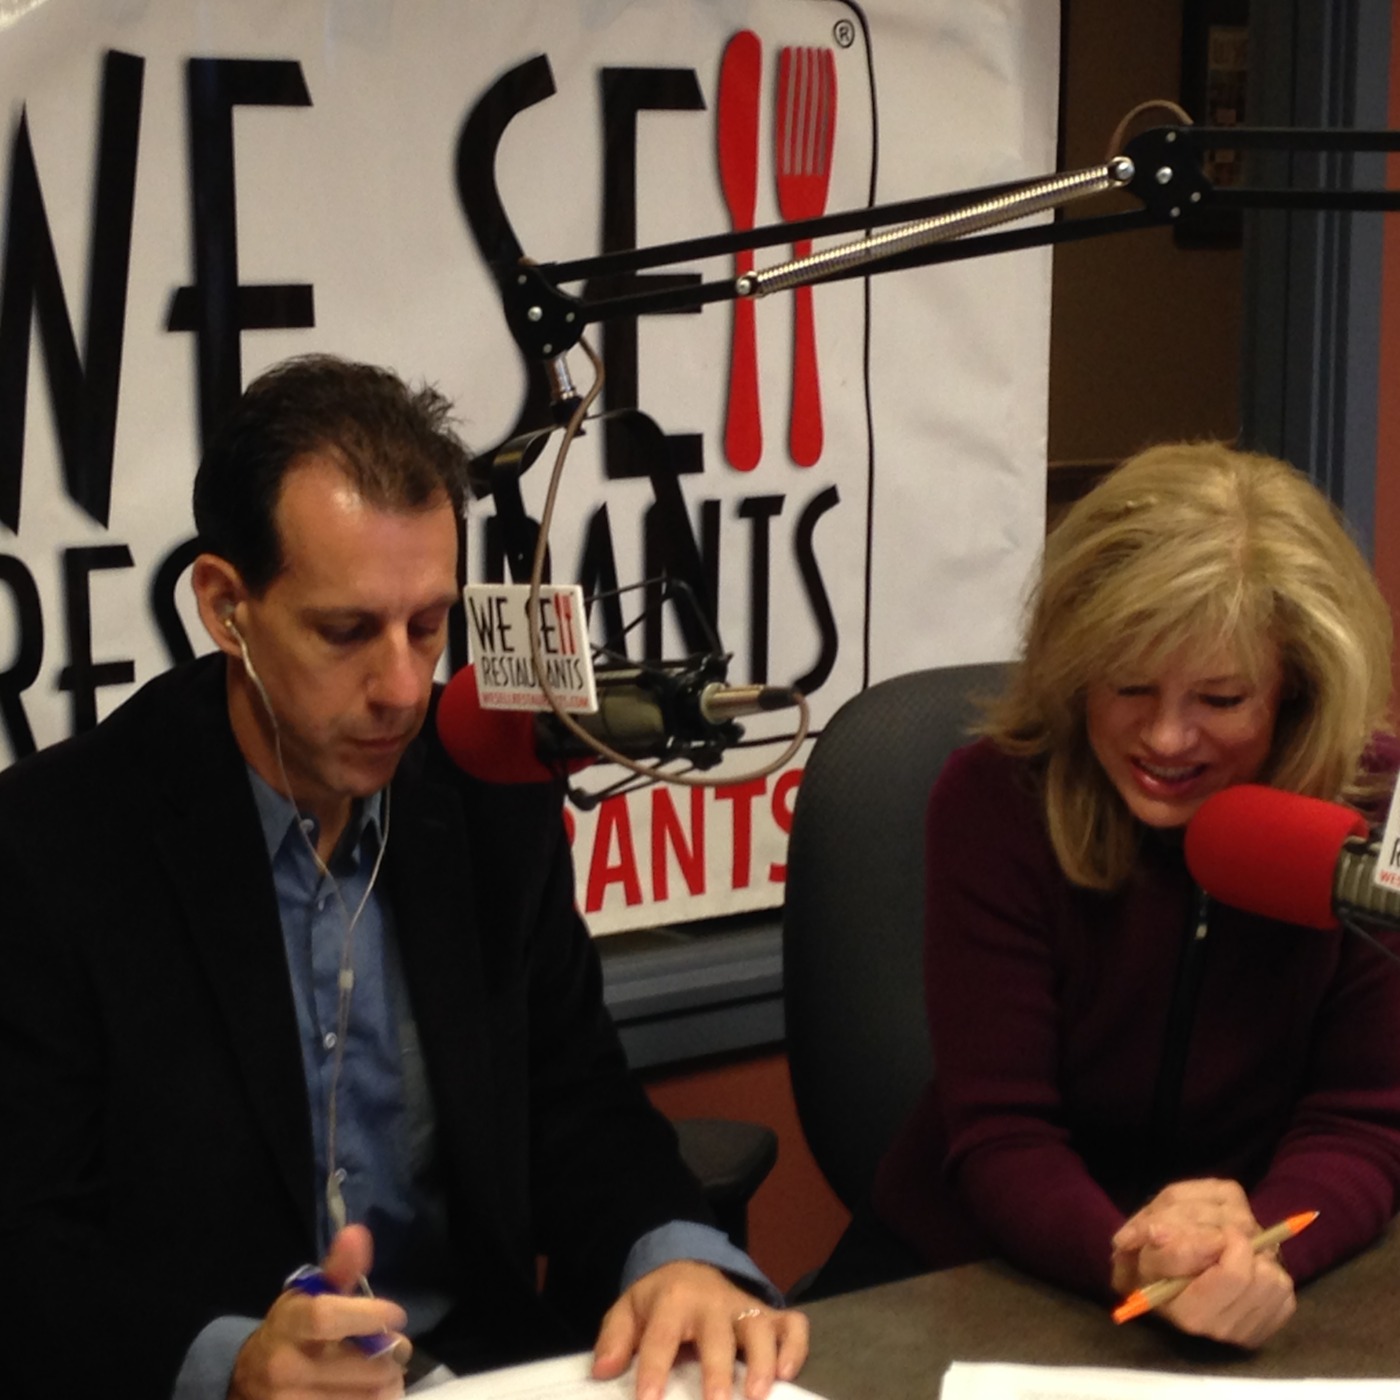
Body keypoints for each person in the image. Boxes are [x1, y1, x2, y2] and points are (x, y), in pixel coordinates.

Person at [0, 355, 807, 1400]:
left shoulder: (483, 793)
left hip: (472, 1367)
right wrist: (230, 1363)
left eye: (427, 626)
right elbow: (29, 1240)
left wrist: (675, 1253)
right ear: (226, 605)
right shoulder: (57, 845)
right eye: (346, 632)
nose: (400, 688)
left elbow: (575, 1103)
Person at [871, 441, 1400, 1347]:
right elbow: (1004, 1131)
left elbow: (1362, 1121)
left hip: (1261, 1275)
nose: (1165, 737)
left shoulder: (1374, 817)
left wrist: (1260, 1253)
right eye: (1130, 687)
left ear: (1296, 690)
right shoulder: (994, 800)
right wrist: (1138, 1261)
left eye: (1221, 700)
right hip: (987, 1273)